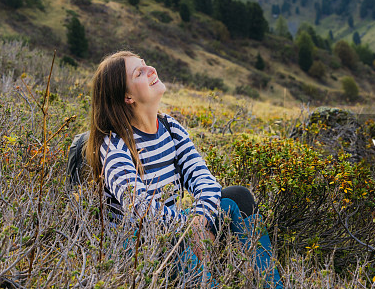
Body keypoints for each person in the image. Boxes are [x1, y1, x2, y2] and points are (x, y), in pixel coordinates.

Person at [85, 50, 282, 287]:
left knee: (237, 197)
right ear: (127, 97)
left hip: (177, 228)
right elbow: (140, 209)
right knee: (175, 245)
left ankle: (270, 284)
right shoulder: (114, 145)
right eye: (140, 72)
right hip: (139, 244)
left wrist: (198, 221)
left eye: (146, 64)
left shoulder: (169, 127)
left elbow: (205, 181)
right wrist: (190, 230)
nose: (151, 70)